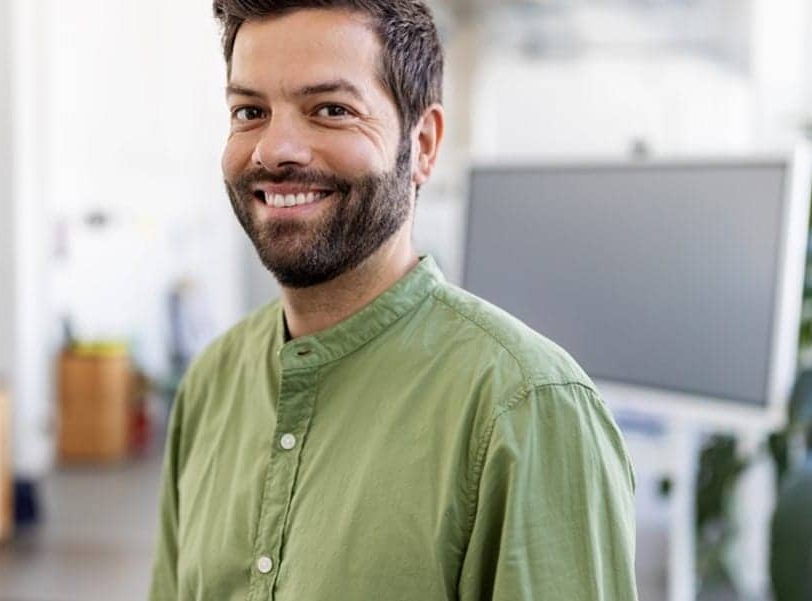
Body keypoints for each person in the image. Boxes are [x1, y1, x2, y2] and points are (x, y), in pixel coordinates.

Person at [149, 1, 638, 599]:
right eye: (249, 111)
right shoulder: (212, 382)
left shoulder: (525, 408)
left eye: (331, 109)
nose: (275, 150)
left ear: (423, 143)